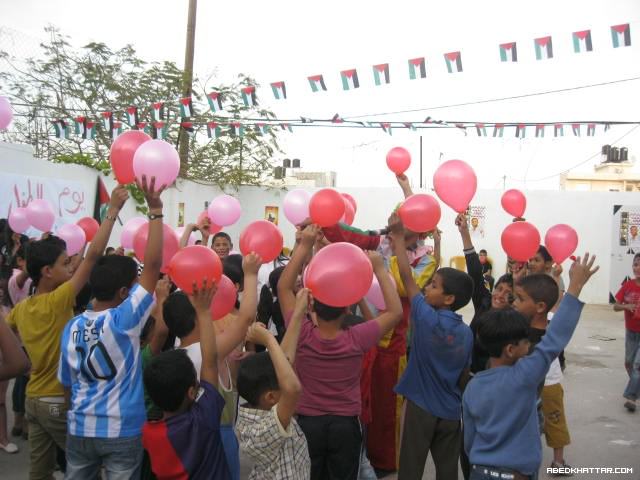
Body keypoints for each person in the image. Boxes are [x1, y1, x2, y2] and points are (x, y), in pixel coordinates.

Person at [6, 184, 129, 480]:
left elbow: (7, 333)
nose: (71, 267)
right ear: (47, 272)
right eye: (64, 263)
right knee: (86, 469)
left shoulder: (21, 309)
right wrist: (111, 211)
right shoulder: (59, 299)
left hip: (34, 400)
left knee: (40, 471)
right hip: (58, 403)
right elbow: (94, 255)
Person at [58, 175, 165, 479]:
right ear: (122, 293)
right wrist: (155, 210)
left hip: (79, 427)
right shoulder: (124, 321)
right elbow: (154, 267)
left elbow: (67, 383)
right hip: (121, 428)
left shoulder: (72, 326)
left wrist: (113, 211)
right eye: (132, 287)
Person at [278, 224, 402, 480]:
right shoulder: (356, 337)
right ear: (347, 308)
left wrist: (303, 246)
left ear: (311, 304)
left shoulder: (301, 332)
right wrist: (379, 268)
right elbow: (395, 312)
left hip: (307, 421)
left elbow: (283, 287)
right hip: (345, 424)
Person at [463, 254, 598, 480]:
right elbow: (555, 338)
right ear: (510, 349)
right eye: (525, 342)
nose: (530, 345)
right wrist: (575, 286)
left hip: (480, 471)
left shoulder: (472, 386)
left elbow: (469, 440)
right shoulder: (524, 376)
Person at [389, 214, 474, 480]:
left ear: (448, 298)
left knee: (410, 467)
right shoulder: (465, 332)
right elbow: (463, 374)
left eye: (434, 286)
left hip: (421, 408)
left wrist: (399, 238)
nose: (427, 287)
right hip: (450, 411)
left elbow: (406, 275)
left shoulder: (426, 318)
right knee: (448, 470)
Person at [162, 253, 261, 480]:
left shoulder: (173, 358)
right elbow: (246, 317)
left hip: (183, 439)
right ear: (198, 315)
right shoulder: (212, 351)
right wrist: (251, 274)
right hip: (219, 435)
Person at [142, 280, 231, 479]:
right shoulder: (204, 419)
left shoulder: (148, 433)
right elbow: (209, 362)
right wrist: (204, 311)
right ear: (192, 392)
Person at [235, 292, 311, 480]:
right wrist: (268, 339)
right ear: (270, 396)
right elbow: (293, 389)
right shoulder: (259, 431)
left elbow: (284, 360)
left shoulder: (265, 404)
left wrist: (299, 312)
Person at [514, 273, 573, 474]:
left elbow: (563, 311)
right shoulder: (519, 323)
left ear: (540, 307)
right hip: (527, 384)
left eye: (519, 299)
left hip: (549, 381)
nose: (515, 303)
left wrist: (573, 284)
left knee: (555, 420)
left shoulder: (551, 323)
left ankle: (558, 462)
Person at [614, 252, 640, 412]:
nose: (637, 267)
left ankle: (631, 397)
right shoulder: (628, 285)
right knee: (629, 363)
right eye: (636, 264)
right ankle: (636, 386)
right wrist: (627, 306)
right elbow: (616, 306)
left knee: (638, 365)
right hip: (631, 332)